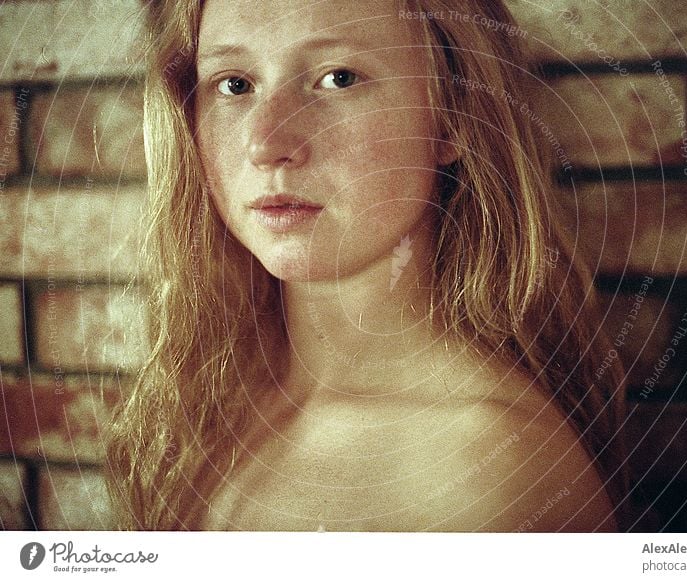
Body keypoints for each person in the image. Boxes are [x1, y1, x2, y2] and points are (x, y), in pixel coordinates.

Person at [106, 0, 629, 532]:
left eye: (338, 78)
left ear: (451, 116)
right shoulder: (209, 401)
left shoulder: (485, 476)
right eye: (235, 85)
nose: (266, 145)